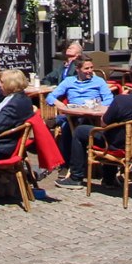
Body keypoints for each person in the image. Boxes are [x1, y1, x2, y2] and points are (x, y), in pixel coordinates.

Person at [47, 55, 112, 184]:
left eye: (91, 68)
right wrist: (58, 103)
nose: (90, 71)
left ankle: (59, 120)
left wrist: (100, 107)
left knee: (70, 126)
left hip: (92, 115)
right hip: (73, 112)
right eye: (86, 68)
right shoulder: (69, 81)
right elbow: (50, 96)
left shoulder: (98, 81)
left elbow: (109, 99)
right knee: (67, 127)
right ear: (77, 69)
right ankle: (66, 165)